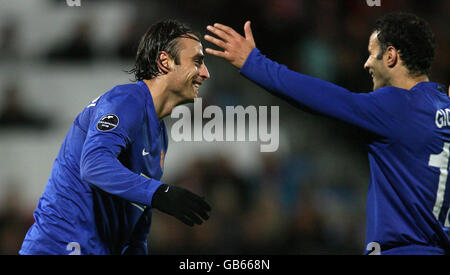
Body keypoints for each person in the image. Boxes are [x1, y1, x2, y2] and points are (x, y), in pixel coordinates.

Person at [204, 12, 450, 255]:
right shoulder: (443, 106)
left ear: (390, 55)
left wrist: (252, 62)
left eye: (371, 52)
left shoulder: (396, 107)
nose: (366, 63)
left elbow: (319, 97)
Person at [19, 19, 211, 255]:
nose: (205, 73)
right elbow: (93, 165)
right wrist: (160, 193)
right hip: (59, 248)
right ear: (165, 61)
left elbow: (137, 225)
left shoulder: (159, 135)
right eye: (198, 62)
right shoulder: (126, 100)